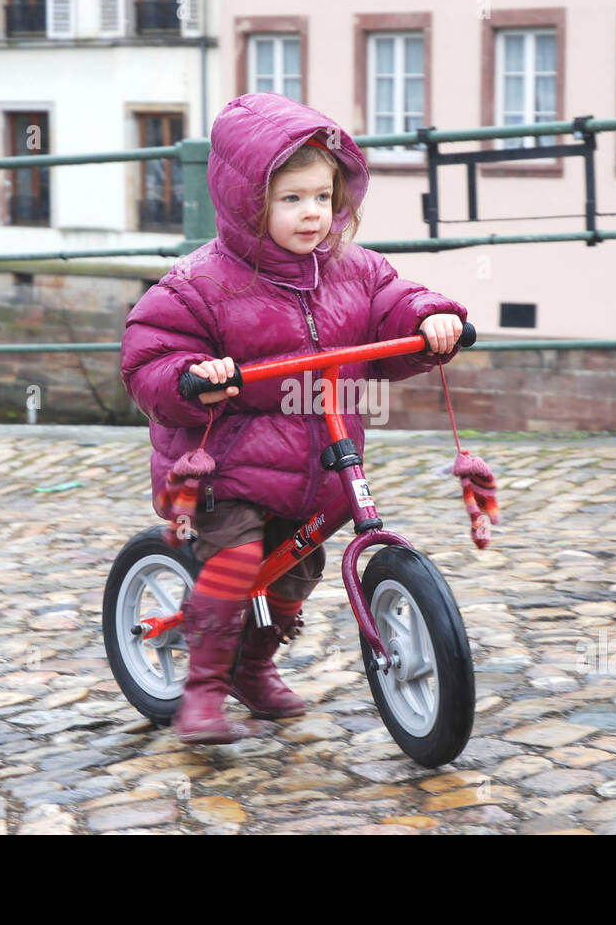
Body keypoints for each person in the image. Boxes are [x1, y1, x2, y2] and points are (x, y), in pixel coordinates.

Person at [120, 92, 468, 745]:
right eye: (291, 200)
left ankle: (254, 667)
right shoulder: (201, 284)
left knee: (294, 577)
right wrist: (196, 377)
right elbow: (150, 359)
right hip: (227, 464)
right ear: (249, 204)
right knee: (236, 560)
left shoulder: (357, 272)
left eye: (323, 197)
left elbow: (395, 304)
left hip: (320, 468)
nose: (312, 214)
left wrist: (430, 318)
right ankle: (201, 691)